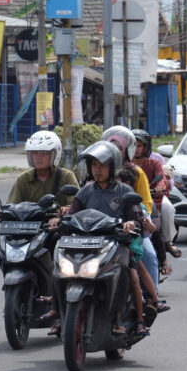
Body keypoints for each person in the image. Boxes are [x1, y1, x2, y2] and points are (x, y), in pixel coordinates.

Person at [0, 130, 80, 335]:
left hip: (55, 230)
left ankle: (62, 303)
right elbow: (12, 204)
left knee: (60, 259)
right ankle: (16, 296)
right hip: (27, 230)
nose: (38, 157)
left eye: (43, 153)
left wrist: (65, 210)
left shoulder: (66, 176)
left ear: (54, 154)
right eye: (35, 153)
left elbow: (76, 204)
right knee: (8, 249)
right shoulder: (23, 179)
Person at [58, 141, 154, 336]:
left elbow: (137, 220)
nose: (97, 170)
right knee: (58, 269)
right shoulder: (85, 191)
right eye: (94, 165)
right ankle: (60, 315)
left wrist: (131, 224)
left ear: (113, 166)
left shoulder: (125, 192)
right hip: (86, 246)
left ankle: (132, 318)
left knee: (129, 273)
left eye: (102, 165)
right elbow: (72, 214)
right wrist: (58, 219)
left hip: (116, 245)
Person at [102, 126, 159, 292]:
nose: (114, 151)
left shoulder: (136, 172)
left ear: (127, 150)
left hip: (130, 225)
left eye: (118, 147)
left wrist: (140, 222)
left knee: (148, 255)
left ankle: (151, 297)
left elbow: (145, 202)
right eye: (110, 145)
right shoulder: (95, 170)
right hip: (101, 227)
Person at [115, 164, 169, 317]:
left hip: (132, 241)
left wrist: (143, 225)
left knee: (146, 259)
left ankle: (152, 299)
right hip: (108, 240)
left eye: (123, 183)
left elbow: (146, 224)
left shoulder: (135, 201)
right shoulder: (101, 195)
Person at [131, 129, 181, 279]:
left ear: (146, 147)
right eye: (134, 145)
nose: (137, 149)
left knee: (152, 226)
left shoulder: (154, 162)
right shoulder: (123, 164)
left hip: (148, 203)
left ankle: (165, 254)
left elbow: (162, 179)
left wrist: (160, 186)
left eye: (139, 145)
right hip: (125, 206)